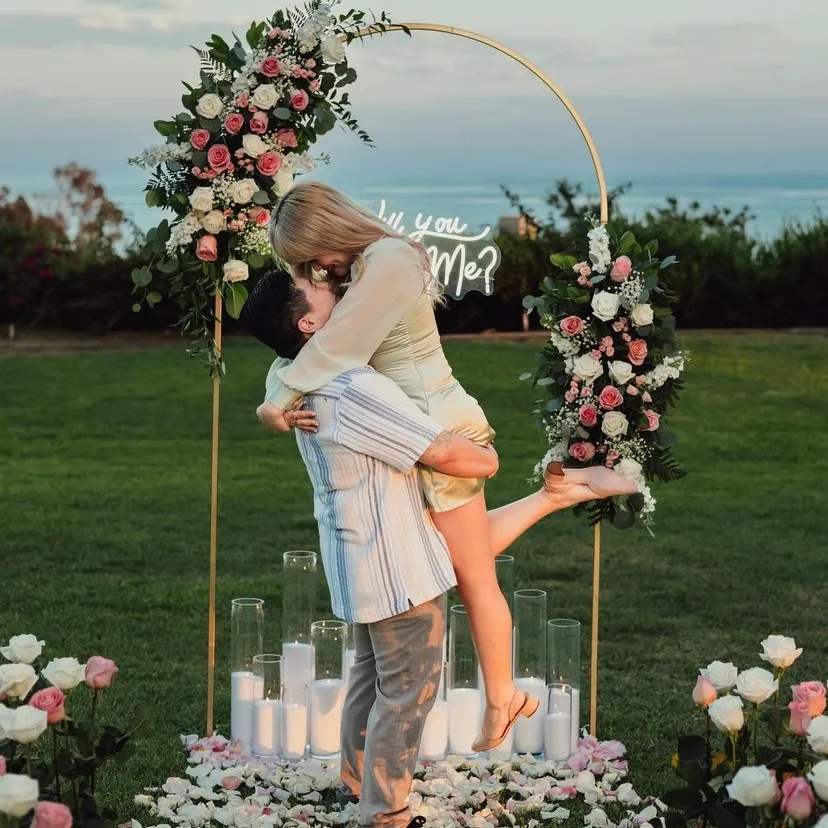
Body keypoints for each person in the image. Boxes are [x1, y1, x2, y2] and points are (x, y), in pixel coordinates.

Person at [254, 181, 638, 752]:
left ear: (328, 229)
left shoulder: (388, 260)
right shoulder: (364, 266)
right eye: (307, 267)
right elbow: (316, 345)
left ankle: (502, 699)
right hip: (414, 429)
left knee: (473, 574)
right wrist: (274, 400)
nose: (318, 270)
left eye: (313, 257)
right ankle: (555, 496)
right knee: (457, 554)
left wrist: (275, 400)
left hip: (439, 428)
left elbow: (335, 349)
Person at [240, 270, 499, 828]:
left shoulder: (290, 377)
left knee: (370, 677)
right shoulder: (352, 387)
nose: (326, 280)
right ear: (310, 323)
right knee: (408, 692)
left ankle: (356, 783)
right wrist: (488, 459)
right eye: (312, 283)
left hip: (356, 560)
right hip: (397, 567)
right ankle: (386, 813)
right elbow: (440, 450)